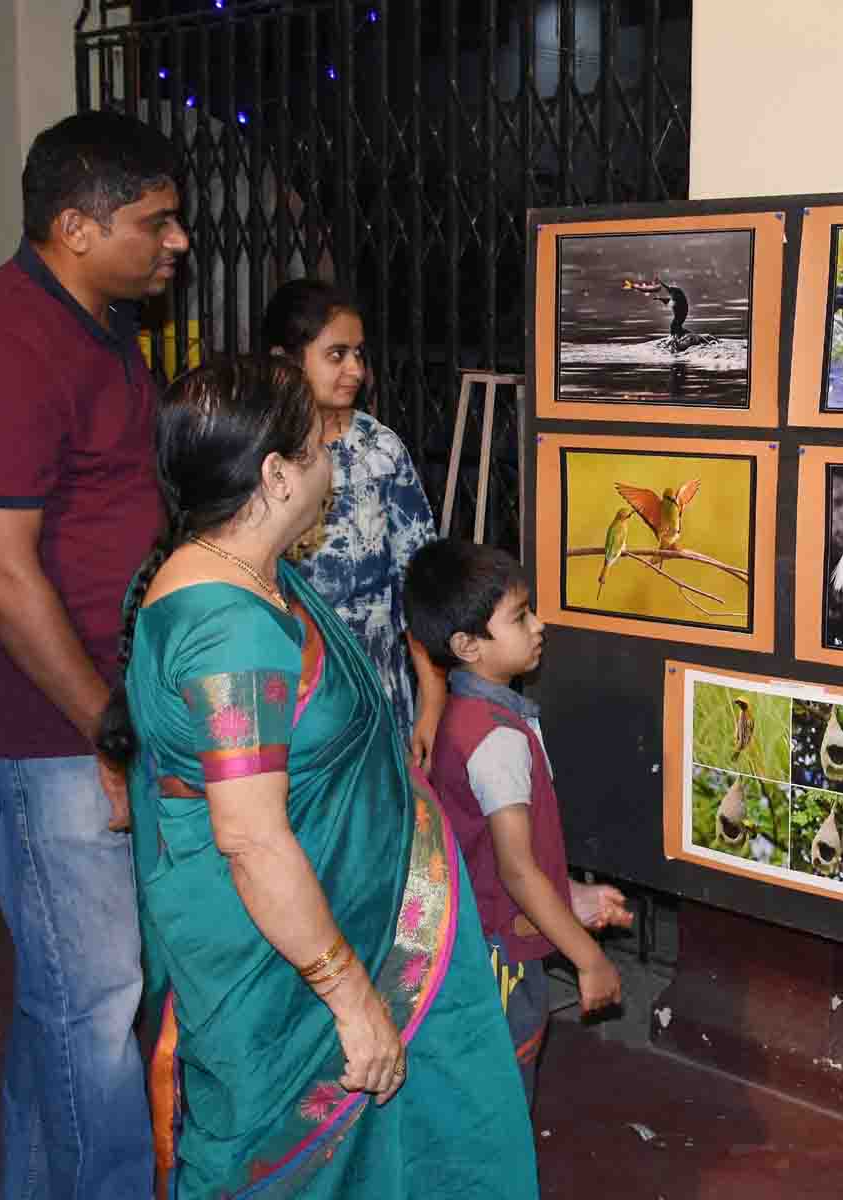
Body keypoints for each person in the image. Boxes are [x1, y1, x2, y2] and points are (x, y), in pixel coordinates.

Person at [97, 357, 536, 1196]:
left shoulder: (243, 574)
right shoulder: (228, 630)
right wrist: (352, 999)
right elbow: (255, 840)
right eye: (318, 446)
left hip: (348, 915)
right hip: (289, 969)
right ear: (274, 475)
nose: (333, 460)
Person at [0, 110, 188, 1199]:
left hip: (99, 715)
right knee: (98, 1001)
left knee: (68, 1004)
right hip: (51, 733)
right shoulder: (17, 340)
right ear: (75, 225)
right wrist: (101, 723)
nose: (178, 243)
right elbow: (5, 567)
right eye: (155, 222)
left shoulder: (102, 329)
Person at [406, 538, 632, 1101]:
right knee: (501, 1092)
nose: (539, 626)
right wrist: (590, 959)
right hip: (498, 958)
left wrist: (571, 896)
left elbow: (498, 854)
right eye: (520, 617)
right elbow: (517, 872)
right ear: (468, 645)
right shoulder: (497, 741)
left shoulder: (469, 718)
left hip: (483, 938)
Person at [262, 279, 443, 764]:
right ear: (286, 360)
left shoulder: (381, 451)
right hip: (289, 696)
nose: (355, 370)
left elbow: (418, 577)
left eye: (359, 354)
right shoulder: (255, 454)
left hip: (378, 691)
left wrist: (431, 696)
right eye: (336, 354)